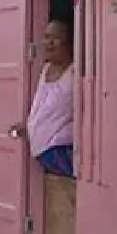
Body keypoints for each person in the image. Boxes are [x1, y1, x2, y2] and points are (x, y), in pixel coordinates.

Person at [27, 14, 76, 178]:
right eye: (46, 37)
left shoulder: (76, 73)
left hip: (59, 148)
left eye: (54, 38)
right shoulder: (46, 69)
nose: (48, 43)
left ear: (68, 43)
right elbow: (44, 108)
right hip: (42, 150)